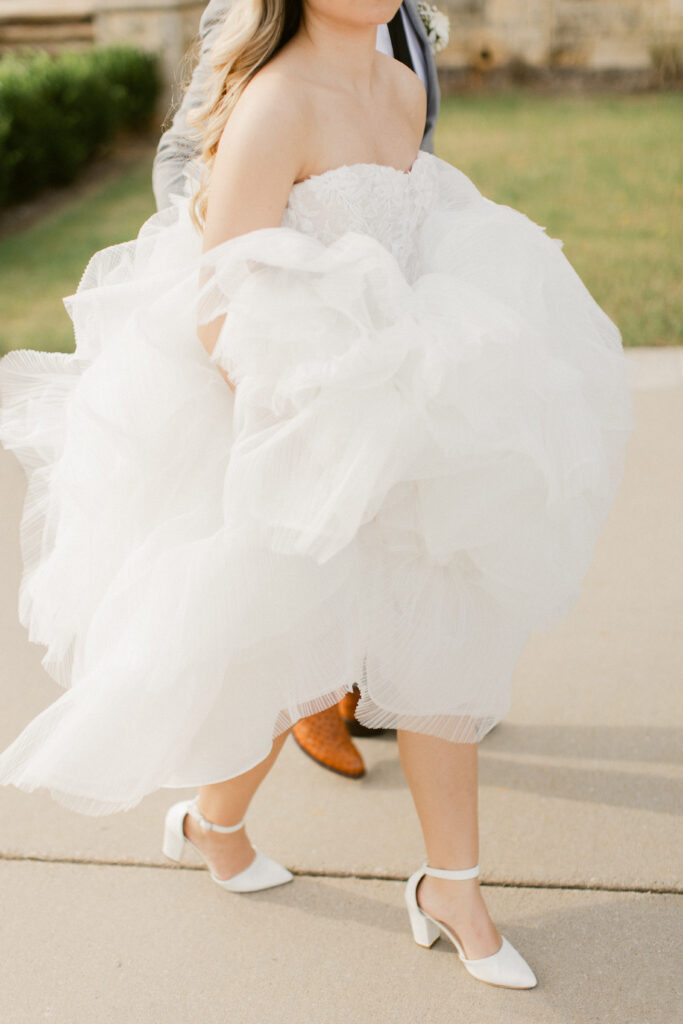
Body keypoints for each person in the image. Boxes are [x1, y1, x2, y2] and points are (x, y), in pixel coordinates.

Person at [0, 0, 634, 991]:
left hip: (403, 402)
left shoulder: (400, 84)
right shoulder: (274, 103)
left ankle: (452, 889)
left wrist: (425, 380)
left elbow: (407, 238)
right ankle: (212, 825)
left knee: (441, 633)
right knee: (276, 663)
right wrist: (312, 428)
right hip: (294, 417)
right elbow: (219, 302)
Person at [153, 0, 442, 781]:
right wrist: (209, 220)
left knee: (420, 606)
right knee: (281, 628)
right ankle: (221, 811)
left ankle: (369, 691)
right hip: (293, 372)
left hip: (384, 359)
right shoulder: (270, 92)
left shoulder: (400, 74)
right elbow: (216, 267)